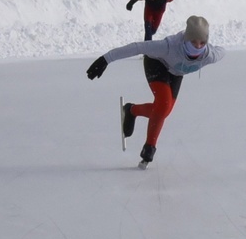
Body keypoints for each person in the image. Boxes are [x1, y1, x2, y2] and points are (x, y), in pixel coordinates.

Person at [87, 14, 223, 167]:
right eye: (193, 41)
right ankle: (149, 148)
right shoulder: (168, 46)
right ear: (186, 39)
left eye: (202, 42)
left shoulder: (209, 55)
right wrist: (106, 59)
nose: (198, 46)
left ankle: (131, 110)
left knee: (164, 111)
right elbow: (137, 47)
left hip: (176, 74)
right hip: (156, 64)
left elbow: (222, 51)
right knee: (163, 105)